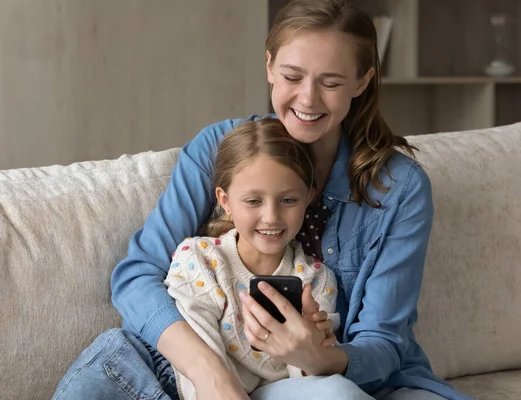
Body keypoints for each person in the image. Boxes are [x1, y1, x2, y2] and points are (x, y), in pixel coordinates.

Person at [52, 0, 473, 399]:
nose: (307, 99)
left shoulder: (399, 188)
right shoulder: (219, 149)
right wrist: (210, 374)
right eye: (292, 77)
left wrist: (318, 357)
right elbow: (137, 277)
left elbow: (383, 342)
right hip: (220, 372)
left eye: (331, 82)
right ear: (269, 66)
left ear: (362, 81)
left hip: (342, 379)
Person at [165, 118, 339, 399]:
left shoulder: (317, 280)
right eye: (253, 201)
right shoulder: (200, 260)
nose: (271, 217)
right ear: (225, 201)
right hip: (153, 375)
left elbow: (306, 386)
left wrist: (310, 347)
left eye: (288, 200)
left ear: (309, 197)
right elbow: (202, 374)